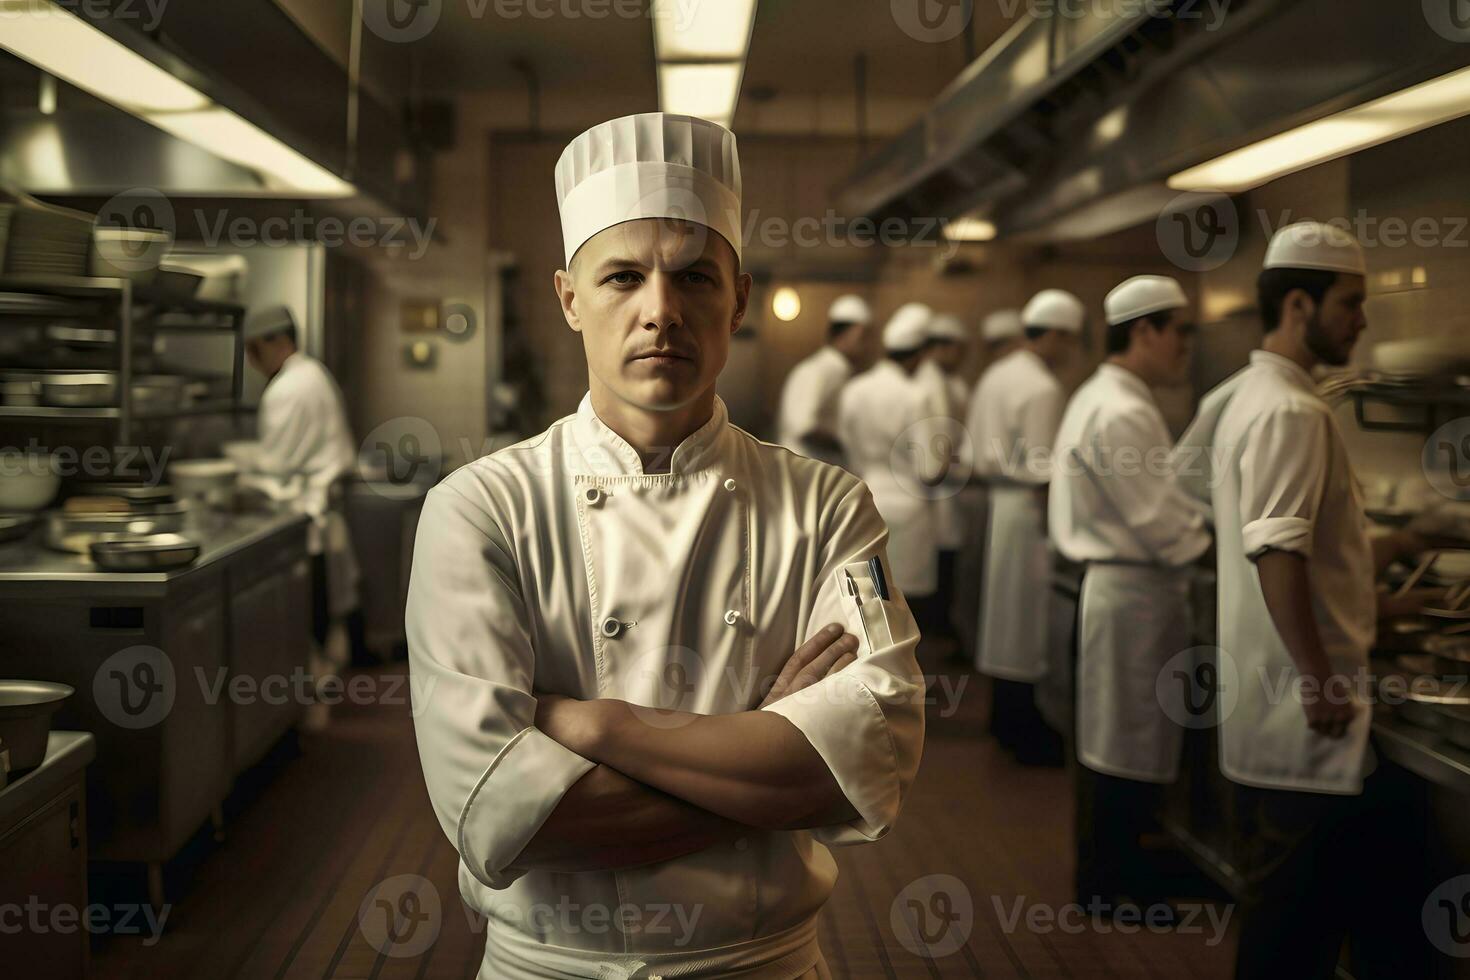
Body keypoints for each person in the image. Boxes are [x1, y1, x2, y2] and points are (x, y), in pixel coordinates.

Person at [406, 112, 925, 979]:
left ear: (739, 299)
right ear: (571, 299)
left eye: (693, 276)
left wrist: (595, 725)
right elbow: (494, 813)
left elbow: (873, 755)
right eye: (622, 277)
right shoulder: (479, 508)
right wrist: (767, 745)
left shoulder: (826, 505)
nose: (661, 312)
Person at [1174, 222, 1432, 979]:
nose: (1362, 320)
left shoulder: (1246, 395)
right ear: (1297, 304)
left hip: (1274, 710)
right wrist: (1319, 677)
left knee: (1315, 917)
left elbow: (1296, 546)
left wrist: (1404, 547)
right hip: (1303, 715)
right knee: (1291, 937)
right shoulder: (1293, 410)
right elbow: (1277, 550)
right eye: (1350, 303)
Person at [1049, 275, 1211, 912]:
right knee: (1124, 738)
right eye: (1180, 333)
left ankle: (1112, 875)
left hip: (1124, 593)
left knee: (1117, 736)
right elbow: (1162, 523)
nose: (1185, 348)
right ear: (1144, 331)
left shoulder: (1101, 395)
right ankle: (1114, 885)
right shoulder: (1123, 409)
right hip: (1134, 595)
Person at [968, 289, 1083, 765]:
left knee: (1004, 617)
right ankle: (1023, 726)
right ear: (1054, 335)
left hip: (1001, 505)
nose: (1071, 350)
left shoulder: (999, 373)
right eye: (1070, 340)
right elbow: (1043, 471)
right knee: (1025, 620)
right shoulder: (1042, 387)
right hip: (1028, 512)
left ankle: (1005, 717)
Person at [241, 306, 359, 715]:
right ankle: (320, 699)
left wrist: (240, 484)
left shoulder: (287, 389)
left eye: (254, 351)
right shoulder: (313, 373)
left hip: (307, 517)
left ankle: (312, 709)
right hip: (322, 512)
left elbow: (276, 468)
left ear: (275, 341)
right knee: (325, 615)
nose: (253, 362)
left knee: (311, 620)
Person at [837, 302, 943, 619]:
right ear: (920, 353)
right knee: (906, 608)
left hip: (867, 498)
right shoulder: (916, 395)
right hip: (910, 505)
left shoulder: (854, 389)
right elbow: (930, 469)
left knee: (871, 605)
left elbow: (848, 447)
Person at [951, 308, 1027, 662]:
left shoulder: (988, 378)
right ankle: (975, 646)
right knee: (982, 581)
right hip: (988, 491)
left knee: (977, 578)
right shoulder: (1014, 378)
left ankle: (973, 645)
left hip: (978, 488)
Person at [914, 312, 971, 644]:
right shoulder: (930, 383)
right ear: (942, 347)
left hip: (939, 488)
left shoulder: (941, 380)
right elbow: (937, 446)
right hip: (932, 489)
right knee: (932, 579)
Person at [776, 294, 873, 465]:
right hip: (807, 472)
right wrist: (848, 447)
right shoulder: (826, 369)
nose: (867, 346)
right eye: (864, 337)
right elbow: (805, 427)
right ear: (851, 333)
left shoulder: (829, 368)